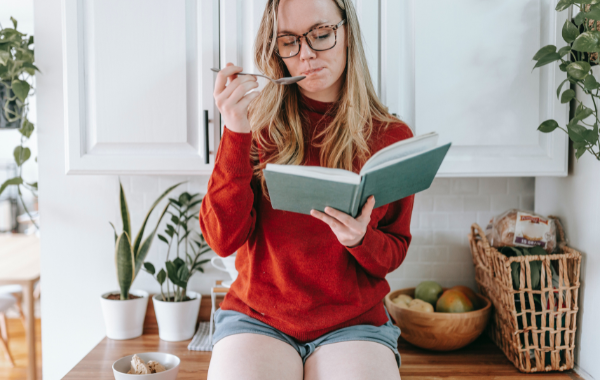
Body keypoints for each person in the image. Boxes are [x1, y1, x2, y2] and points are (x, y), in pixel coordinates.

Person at [200, 0, 414, 379]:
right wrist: (234, 130)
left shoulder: (391, 139)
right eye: (289, 42)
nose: (306, 54)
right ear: (275, 51)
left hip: (355, 322)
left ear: (347, 33)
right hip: (257, 317)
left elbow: (392, 252)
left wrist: (360, 239)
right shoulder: (254, 128)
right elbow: (221, 240)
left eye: (320, 35)